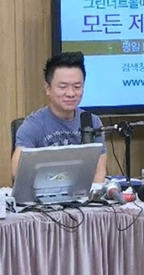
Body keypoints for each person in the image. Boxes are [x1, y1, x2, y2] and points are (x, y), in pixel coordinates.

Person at [11, 51, 107, 183]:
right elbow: (17, 172)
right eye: (63, 87)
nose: (71, 93)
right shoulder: (33, 125)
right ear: (47, 88)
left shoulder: (92, 122)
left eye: (77, 87)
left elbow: (99, 172)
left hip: (83, 194)